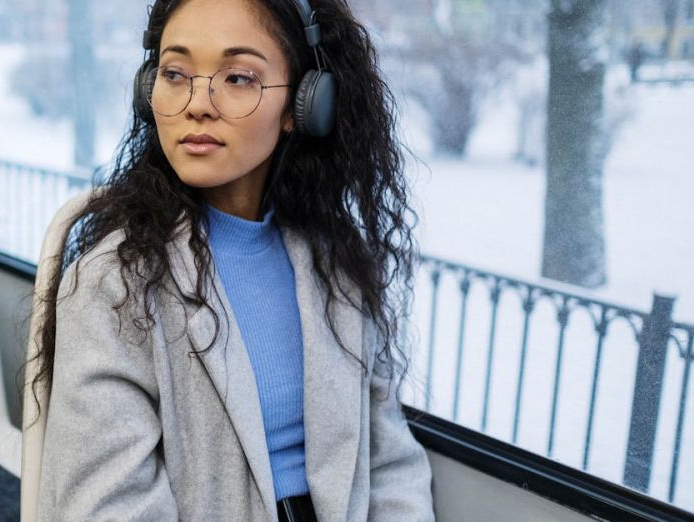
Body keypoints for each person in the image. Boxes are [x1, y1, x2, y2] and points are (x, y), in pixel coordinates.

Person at [28, 0, 435, 520]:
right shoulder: (113, 285)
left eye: (239, 78)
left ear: (301, 106)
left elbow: (392, 466)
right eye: (175, 73)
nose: (197, 104)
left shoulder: (338, 267)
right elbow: (110, 507)